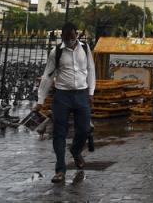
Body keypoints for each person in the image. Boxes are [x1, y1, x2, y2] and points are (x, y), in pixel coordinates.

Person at [37, 22, 95, 184]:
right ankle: (60, 169)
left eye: (72, 36)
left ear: (77, 34)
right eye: (67, 37)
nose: (70, 40)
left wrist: (91, 92)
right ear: (62, 37)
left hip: (81, 94)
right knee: (59, 133)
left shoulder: (85, 48)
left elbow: (91, 70)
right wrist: (41, 99)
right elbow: (47, 76)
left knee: (84, 129)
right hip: (62, 96)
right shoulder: (56, 52)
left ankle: (76, 151)